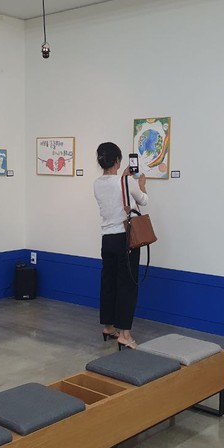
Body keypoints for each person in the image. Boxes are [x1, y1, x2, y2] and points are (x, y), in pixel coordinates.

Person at [93, 142, 148, 349]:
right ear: (117, 160)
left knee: (108, 283)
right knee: (127, 285)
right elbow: (143, 200)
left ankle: (108, 327)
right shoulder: (126, 182)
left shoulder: (97, 183)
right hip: (126, 239)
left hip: (106, 239)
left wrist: (124, 178)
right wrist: (141, 184)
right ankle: (125, 334)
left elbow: (113, 194)